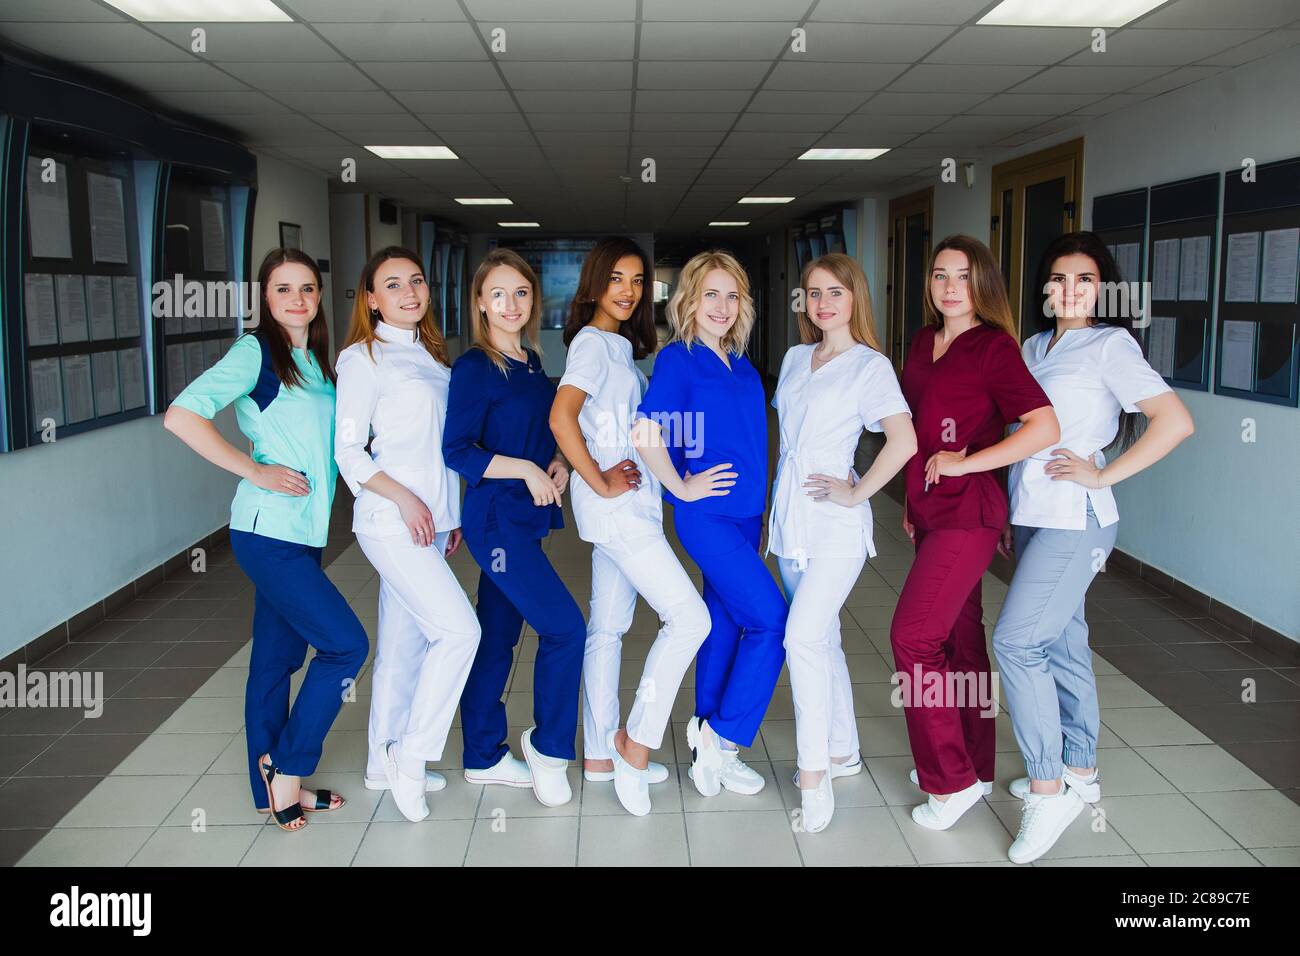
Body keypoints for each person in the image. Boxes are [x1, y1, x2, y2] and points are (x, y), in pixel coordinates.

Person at [993, 232, 1194, 863]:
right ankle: (1080, 768)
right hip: (1032, 514)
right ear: (1044, 288)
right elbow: (1022, 435)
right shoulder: (1031, 346)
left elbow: (1175, 421)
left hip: (1076, 518)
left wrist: (1103, 473)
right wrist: (1006, 503)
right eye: (1057, 279)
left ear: (1103, 288)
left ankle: (1048, 789)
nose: (1069, 290)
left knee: (1016, 641)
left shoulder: (1111, 344)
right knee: (1061, 638)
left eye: (1084, 280)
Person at [163, 248, 365, 832]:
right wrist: (253, 470)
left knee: (275, 660)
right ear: (264, 298)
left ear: (319, 296)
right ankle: (288, 766)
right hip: (266, 532)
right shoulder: (256, 352)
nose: (297, 299)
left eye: (307, 288)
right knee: (346, 646)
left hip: (302, 534)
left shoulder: (319, 361)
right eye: (283, 289)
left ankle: (267, 791)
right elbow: (182, 415)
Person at [893, 234, 1059, 831]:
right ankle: (977, 766)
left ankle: (951, 781)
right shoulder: (920, 343)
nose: (949, 286)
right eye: (939, 275)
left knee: (913, 638)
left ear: (981, 284)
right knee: (959, 644)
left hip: (971, 514)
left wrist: (968, 461)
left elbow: (1043, 426)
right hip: (931, 512)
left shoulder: (993, 347)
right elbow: (913, 426)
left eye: (962, 276)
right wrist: (913, 497)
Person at [549, 236, 711, 816]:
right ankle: (633, 743)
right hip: (618, 513)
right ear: (594, 283)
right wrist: (598, 480)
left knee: (608, 629)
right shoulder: (592, 345)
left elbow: (594, 426)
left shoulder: (618, 348)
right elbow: (561, 417)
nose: (628, 290)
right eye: (616, 278)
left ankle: (596, 751)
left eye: (637, 280)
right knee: (690, 618)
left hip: (626, 510)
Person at [769, 253, 916, 832]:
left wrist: (858, 495)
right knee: (823, 637)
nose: (823, 301)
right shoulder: (794, 358)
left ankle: (814, 778)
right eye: (812, 292)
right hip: (789, 524)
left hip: (834, 524)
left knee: (800, 637)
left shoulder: (870, 367)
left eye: (835, 290)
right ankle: (843, 749)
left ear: (855, 296)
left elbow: (902, 441)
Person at [334, 246, 481, 823]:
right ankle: (411, 758)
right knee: (459, 632)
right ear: (372, 299)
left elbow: (440, 450)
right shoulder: (362, 359)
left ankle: (378, 761)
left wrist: (450, 514)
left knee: (404, 644)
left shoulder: (432, 357)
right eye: (392, 285)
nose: (409, 293)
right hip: (389, 520)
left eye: (416, 281)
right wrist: (408, 501)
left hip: (429, 522)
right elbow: (348, 450)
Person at [632, 249, 784, 798]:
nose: (721, 306)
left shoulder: (742, 364)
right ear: (688, 301)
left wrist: (760, 513)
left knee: (724, 623)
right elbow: (645, 430)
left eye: (731, 295)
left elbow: (750, 440)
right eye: (709, 295)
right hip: (707, 517)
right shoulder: (680, 359)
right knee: (772, 622)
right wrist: (680, 486)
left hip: (744, 518)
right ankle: (723, 737)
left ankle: (704, 737)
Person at [443, 248, 584, 808]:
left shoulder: (530, 362)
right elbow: (457, 449)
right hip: (496, 519)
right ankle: (549, 749)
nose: (510, 303)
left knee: (497, 634)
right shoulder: (475, 367)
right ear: (480, 302)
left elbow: (542, 430)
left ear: (533, 301)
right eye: (497, 293)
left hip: (523, 518)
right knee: (565, 628)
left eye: (521, 293)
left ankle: (481, 753)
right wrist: (525, 467)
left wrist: (558, 462)